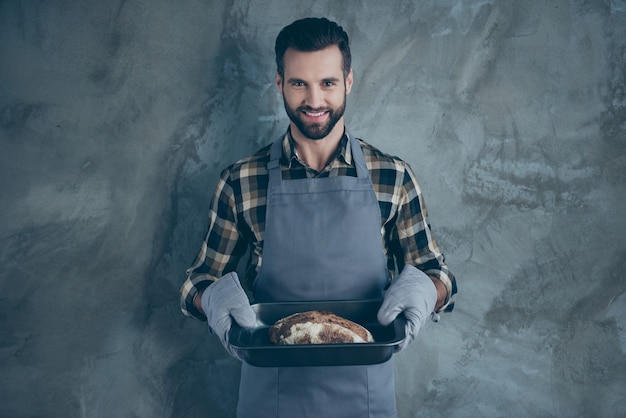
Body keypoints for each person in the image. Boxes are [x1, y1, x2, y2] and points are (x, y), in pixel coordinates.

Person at [180, 17, 457, 418]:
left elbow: (439, 274)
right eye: (299, 83)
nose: (314, 100)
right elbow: (196, 282)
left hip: (365, 398)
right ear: (279, 84)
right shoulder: (240, 181)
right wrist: (212, 298)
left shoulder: (393, 178)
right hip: (270, 397)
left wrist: (429, 291)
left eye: (327, 83)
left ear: (348, 81)